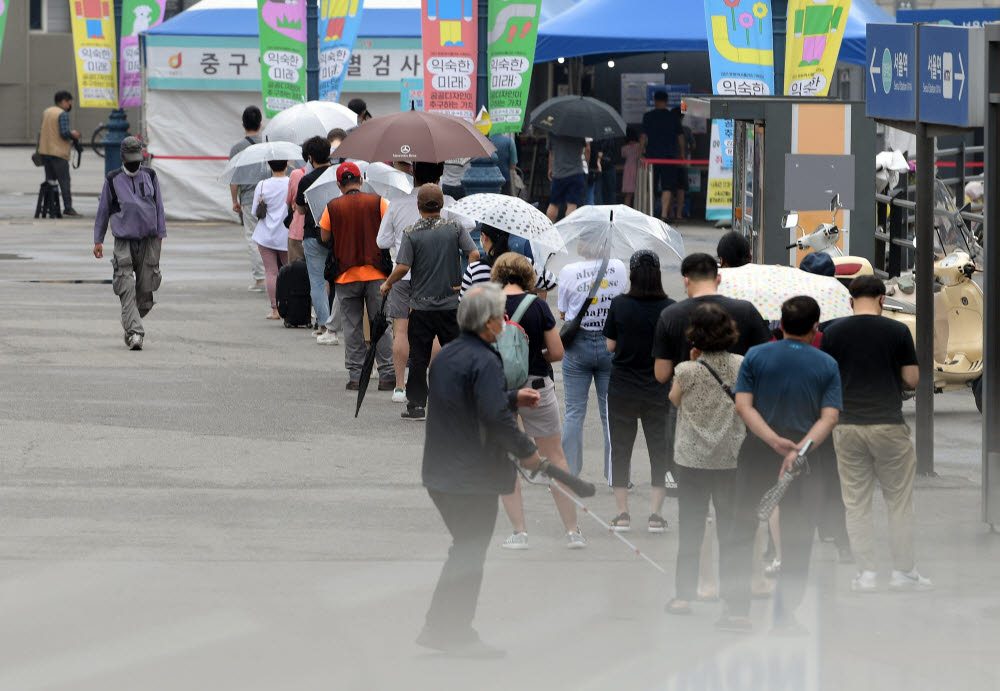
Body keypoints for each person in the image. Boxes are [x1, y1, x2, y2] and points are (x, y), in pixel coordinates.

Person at [417, 282, 542, 657]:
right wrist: (528, 452)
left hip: (441, 471)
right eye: (498, 317)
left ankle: (441, 626)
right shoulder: (486, 360)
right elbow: (496, 419)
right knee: (469, 553)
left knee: (464, 550)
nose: (502, 323)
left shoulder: (448, 355)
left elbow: (471, 402)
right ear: (487, 323)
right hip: (470, 475)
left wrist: (509, 396)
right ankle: (452, 631)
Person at [732, 296, 842, 634]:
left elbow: (743, 407)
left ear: (779, 325)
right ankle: (785, 615)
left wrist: (773, 441)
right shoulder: (826, 364)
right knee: (797, 535)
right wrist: (800, 450)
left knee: (742, 527)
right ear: (814, 328)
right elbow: (830, 416)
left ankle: (736, 612)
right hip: (804, 461)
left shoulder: (755, 355)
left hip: (758, 450)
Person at [821, 276, 931, 593]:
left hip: (847, 427)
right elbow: (912, 379)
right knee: (898, 502)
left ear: (850, 300)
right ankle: (903, 572)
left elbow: (828, 376)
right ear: (882, 299)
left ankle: (866, 574)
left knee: (856, 503)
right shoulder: (897, 331)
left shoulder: (832, 332)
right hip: (888, 425)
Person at [491, 253, 586, 550]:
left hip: (500, 392)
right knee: (555, 458)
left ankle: (520, 533)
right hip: (537, 389)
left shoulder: (487, 305)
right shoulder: (538, 305)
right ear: (526, 276)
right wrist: (534, 357)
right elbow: (557, 353)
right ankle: (573, 532)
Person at [653, 254, 771, 484]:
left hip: (689, 422)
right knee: (731, 499)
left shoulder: (670, 315)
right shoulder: (745, 310)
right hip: (736, 415)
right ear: (718, 278)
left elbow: (661, 374)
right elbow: (764, 361)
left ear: (685, 280)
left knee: (692, 505)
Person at [665, 303, 747, 618]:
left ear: (695, 335)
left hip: (691, 460)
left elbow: (674, 400)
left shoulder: (686, 371)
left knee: (691, 528)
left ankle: (684, 597)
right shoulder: (742, 364)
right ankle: (733, 598)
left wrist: (691, 364)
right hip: (730, 457)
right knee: (731, 529)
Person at [380, 184, 480, 420]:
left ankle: (416, 405)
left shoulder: (411, 233)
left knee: (419, 357)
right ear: (442, 205)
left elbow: (403, 266)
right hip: (450, 303)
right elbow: (474, 253)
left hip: (421, 306)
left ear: (418, 206)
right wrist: (466, 279)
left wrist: (388, 283)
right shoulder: (455, 228)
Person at [603, 251, 675, 532]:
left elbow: (610, 346)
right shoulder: (669, 308)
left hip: (622, 387)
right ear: (658, 274)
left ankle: (622, 514)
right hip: (658, 388)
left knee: (621, 450)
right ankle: (656, 515)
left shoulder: (620, 304)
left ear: (631, 274)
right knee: (660, 450)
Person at [319, 162, 394, 391]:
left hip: (345, 275)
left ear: (339, 185)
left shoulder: (332, 206)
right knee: (381, 323)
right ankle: (387, 375)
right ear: (361, 181)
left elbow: (324, 237)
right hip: (377, 273)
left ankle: (355, 376)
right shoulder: (378, 202)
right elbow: (388, 230)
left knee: (352, 326)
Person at [557, 237, 627, 478]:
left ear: (581, 244)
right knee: (610, 413)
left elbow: (563, 313)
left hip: (578, 345)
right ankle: (615, 475)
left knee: (574, 412)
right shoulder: (618, 267)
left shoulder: (568, 271)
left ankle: (569, 473)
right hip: (610, 343)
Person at [92, 137, 165, 351]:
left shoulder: (150, 175)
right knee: (126, 285)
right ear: (123, 157)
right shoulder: (112, 180)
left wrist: (161, 235)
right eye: (130, 160)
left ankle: (131, 317)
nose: (134, 164)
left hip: (149, 241)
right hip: (123, 241)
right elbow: (103, 211)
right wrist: (98, 239)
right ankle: (135, 333)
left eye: (137, 159)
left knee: (145, 290)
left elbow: (159, 206)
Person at [295, 136, 337, 344]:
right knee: (339, 280)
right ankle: (339, 322)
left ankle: (325, 326)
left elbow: (301, 209)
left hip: (314, 233)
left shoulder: (306, 180)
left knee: (318, 282)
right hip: (338, 234)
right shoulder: (338, 175)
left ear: (310, 158)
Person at [229, 105, 267, 291]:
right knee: (272, 236)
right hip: (269, 196)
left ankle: (260, 280)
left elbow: (234, 177)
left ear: (243, 124)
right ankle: (274, 275)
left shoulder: (238, 147)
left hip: (248, 198)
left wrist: (234, 200)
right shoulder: (268, 144)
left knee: (253, 238)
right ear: (260, 124)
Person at [459, 225, 555, 299]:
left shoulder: (474, 269)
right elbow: (550, 281)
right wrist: (525, 286)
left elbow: (463, 304)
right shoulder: (522, 263)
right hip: (516, 322)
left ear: (484, 237)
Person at [251, 160, 291, 320]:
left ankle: (275, 309)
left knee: (271, 272)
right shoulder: (292, 181)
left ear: (269, 166)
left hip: (265, 234)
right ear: (287, 165)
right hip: (286, 234)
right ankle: (291, 306)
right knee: (289, 271)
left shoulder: (262, 185)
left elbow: (255, 210)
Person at [641, 91, 685, 223]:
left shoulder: (648, 116)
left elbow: (643, 137)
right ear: (666, 101)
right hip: (669, 157)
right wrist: (682, 153)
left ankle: (650, 213)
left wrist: (641, 151)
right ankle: (664, 214)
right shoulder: (673, 117)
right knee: (667, 186)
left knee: (651, 186)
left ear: (655, 101)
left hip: (652, 157)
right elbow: (681, 137)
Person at [38, 90, 81, 217]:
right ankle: (68, 207)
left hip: (45, 152)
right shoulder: (62, 114)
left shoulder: (47, 111)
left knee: (50, 181)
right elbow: (64, 132)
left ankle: (50, 207)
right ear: (63, 101)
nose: (70, 105)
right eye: (69, 102)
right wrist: (73, 134)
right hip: (58, 153)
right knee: (64, 181)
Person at [545, 134, 588, 222]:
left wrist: (550, 168)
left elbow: (551, 153)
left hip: (558, 173)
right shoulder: (579, 131)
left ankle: (547, 230)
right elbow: (583, 150)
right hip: (576, 172)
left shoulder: (553, 131)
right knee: (572, 205)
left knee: (554, 204)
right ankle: (569, 232)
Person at [285, 144, 309, 264]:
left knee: (295, 274)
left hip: (297, 230)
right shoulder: (329, 174)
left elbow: (289, 202)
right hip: (321, 233)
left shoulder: (296, 174)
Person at [621, 128, 641, 208]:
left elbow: (623, 156)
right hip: (638, 168)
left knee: (628, 194)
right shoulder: (639, 146)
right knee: (639, 192)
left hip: (628, 170)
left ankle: (626, 211)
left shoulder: (624, 148)